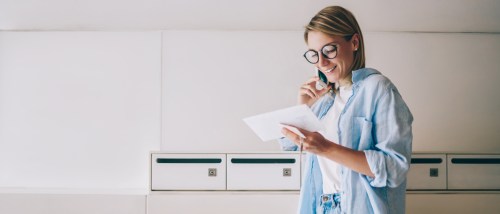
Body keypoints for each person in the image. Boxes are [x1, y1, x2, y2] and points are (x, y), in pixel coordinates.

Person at [279, 6, 413, 214]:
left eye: (329, 50)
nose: (322, 62)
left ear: (354, 42)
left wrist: (327, 148)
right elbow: (289, 144)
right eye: (314, 54)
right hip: (322, 206)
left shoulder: (378, 88)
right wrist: (303, 107)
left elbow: (394, 168)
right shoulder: (325, 101)